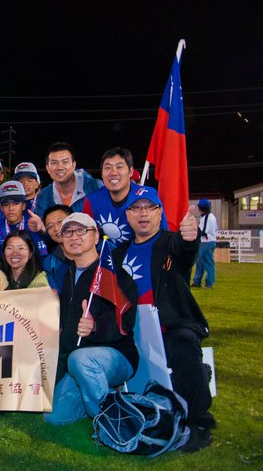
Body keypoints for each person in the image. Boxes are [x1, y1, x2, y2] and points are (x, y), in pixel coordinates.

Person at [113, 188, 214, 451]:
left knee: (183, 345)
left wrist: (190, 238)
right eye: (136, 208)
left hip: (170, 323)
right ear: (127, 215)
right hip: (132, 327)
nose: (143, 213)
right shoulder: (118, 252)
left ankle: (198, 422)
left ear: (160, 213)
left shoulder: (170, 242)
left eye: (150, 207)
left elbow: (185, 250)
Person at [45, 212, 138, 426]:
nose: (74, 236)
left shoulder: (114, 274)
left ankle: (113, 424)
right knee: (54, 417)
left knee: (81, 360)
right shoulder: (68, 275)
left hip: (115, 356)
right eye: (68, 232)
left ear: (96, 237)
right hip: (76, 360)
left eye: (81, 230)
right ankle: (101, 396)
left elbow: (125, 321)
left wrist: (96, 326)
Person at [82, 147, 167, 246]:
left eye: (119, 167)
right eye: (108, 168)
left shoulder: (147, 197)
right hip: (109, 254)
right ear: (102, 173)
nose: (113, 173)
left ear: (131, 171)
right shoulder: (92, 201)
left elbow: (163, 236)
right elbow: (87, 239)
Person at [34, 142, 101, 215]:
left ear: (74, 165)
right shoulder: (43, 196)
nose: (60, 167)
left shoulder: (95, 187)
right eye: (54, 163)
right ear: (47, 168)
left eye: (65, 162)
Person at [0, 181, 48, 264]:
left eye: (15, 203)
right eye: (6, 204)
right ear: (1, 208)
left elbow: (41, 258)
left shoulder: (32, 225)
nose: (11, 208)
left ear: (23, 206)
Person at [41, 204, 74, 292]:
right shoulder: (49, 263)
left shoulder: (95, 251)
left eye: (60, 222)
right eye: (50, 226)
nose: (56, 228)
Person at [192, 198, 217, 289]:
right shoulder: (210, 217)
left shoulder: (207, 217)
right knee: (200, 262)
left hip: (206, 242)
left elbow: (203, 231)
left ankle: (209, 283)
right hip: (207, 242)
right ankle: (197, 281)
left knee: (208, 263)